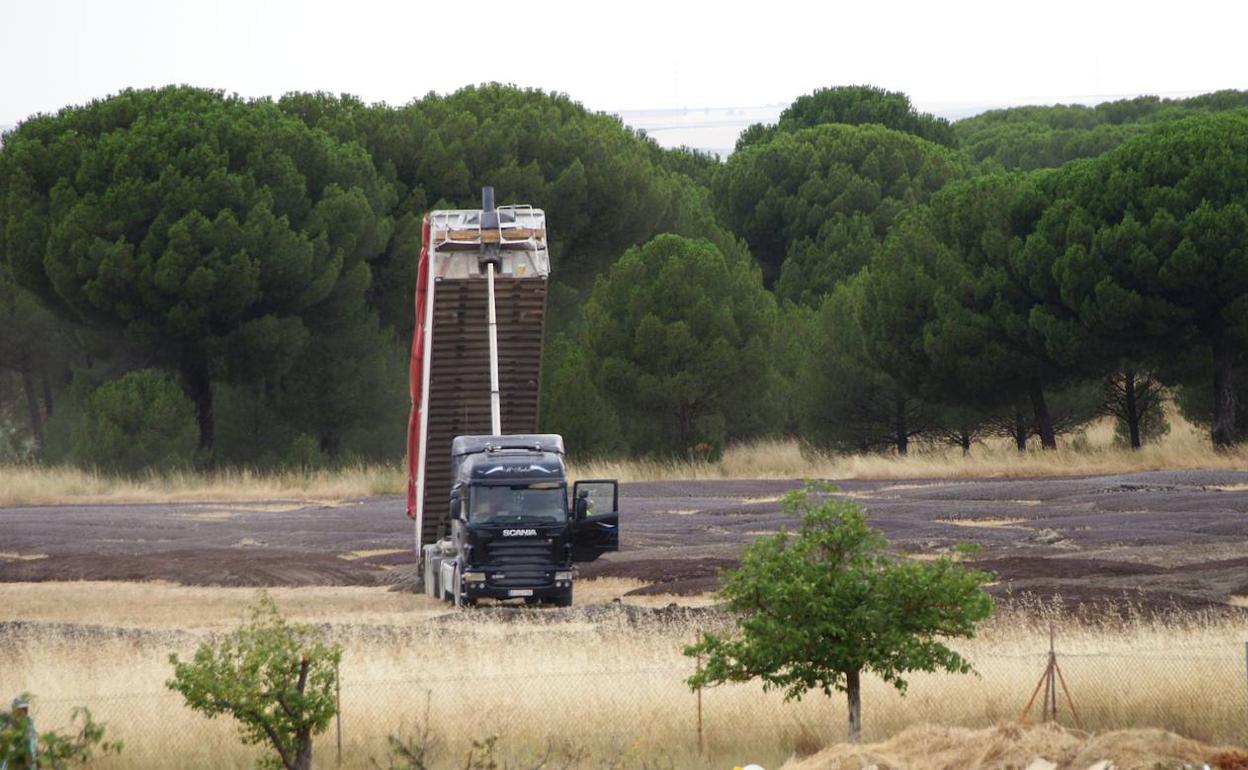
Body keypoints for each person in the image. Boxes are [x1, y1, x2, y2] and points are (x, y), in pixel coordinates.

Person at [1, 695, 38, 769]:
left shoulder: (29, 722)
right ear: (14, 709)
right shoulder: (6, 722)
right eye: (21, 709)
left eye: (25, 708)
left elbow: (33, 742)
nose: (24, 711)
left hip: (26, 755)